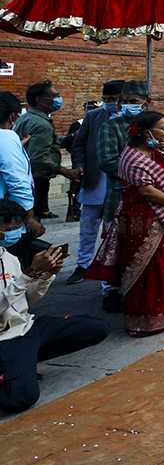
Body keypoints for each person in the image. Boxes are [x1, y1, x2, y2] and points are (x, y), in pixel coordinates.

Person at [86, 110, 164, 336]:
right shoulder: (131, 157)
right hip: (141, 218)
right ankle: (145, 320)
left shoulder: (158, 152)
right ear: (146, 133)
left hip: (161, 215)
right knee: (146, 268)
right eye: (162, 128)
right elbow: (147, 191)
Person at [0, 198, 108, 412]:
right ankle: (14, 366)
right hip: (6, 339)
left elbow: (26, 299)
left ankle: (24, 361)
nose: (14, 233)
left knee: (96, 328)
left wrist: (47, 274)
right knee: (21, 399)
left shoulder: (8, 257)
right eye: (10, 228)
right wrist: (29, 273)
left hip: (27, 329)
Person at [95, 79, 150, 312]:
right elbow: (107, 161)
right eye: (125, 101)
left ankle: (139, 284)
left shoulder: (152, 123)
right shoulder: (112, 126)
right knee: (114, 244)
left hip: (149, 196)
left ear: (146, 103)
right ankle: (110, 290)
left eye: (134, 102)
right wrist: (142, 170)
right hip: (120, 194)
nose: (129, 105)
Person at [68, 79, 123, 282]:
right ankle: (83, 264)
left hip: (120, 182)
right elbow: (79, 144)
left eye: (113, 99)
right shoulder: (93, 117)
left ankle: (110, 267)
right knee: (88, 226)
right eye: (105, 99)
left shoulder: (133, 119)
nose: (109, 102)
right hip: (95, 179)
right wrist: (79, 164)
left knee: (113, 229)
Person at [14, 81, 81, 220]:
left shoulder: (27, 117)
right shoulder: (41, 124)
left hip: (26, 175)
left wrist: (70, 138)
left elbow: (47, 143)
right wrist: (65, 171)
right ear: (39, 100)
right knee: (33, 220)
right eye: (54, 96)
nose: (58, 99)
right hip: (36, 178)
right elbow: (39, 157)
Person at [0, 93, 40, 268]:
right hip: (7, 217)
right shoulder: (6, 137)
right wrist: (29, 218)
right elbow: (18, 182)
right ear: (12, 115)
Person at [60, 101, 93, 222]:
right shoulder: (78, 124)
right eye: (90, 108)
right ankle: (73, 211)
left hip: (93, 159)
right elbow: (71, 143)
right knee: (76, 185)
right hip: (80, 159)